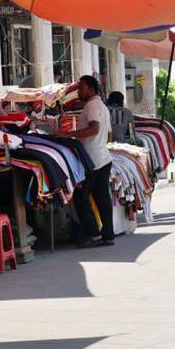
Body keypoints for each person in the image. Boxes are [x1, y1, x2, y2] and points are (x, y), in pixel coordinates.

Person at [59, 76, 114, 247]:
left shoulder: (91, 105)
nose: (78, 92)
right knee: (102, 198)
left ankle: (93, 234)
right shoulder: (102, 106)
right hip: (103, 157)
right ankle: (108, 235)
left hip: (92, 160)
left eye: (81, 89)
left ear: (91, 89)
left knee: (81, 197)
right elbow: (109, 135)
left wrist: (69, 135)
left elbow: (94, 128)